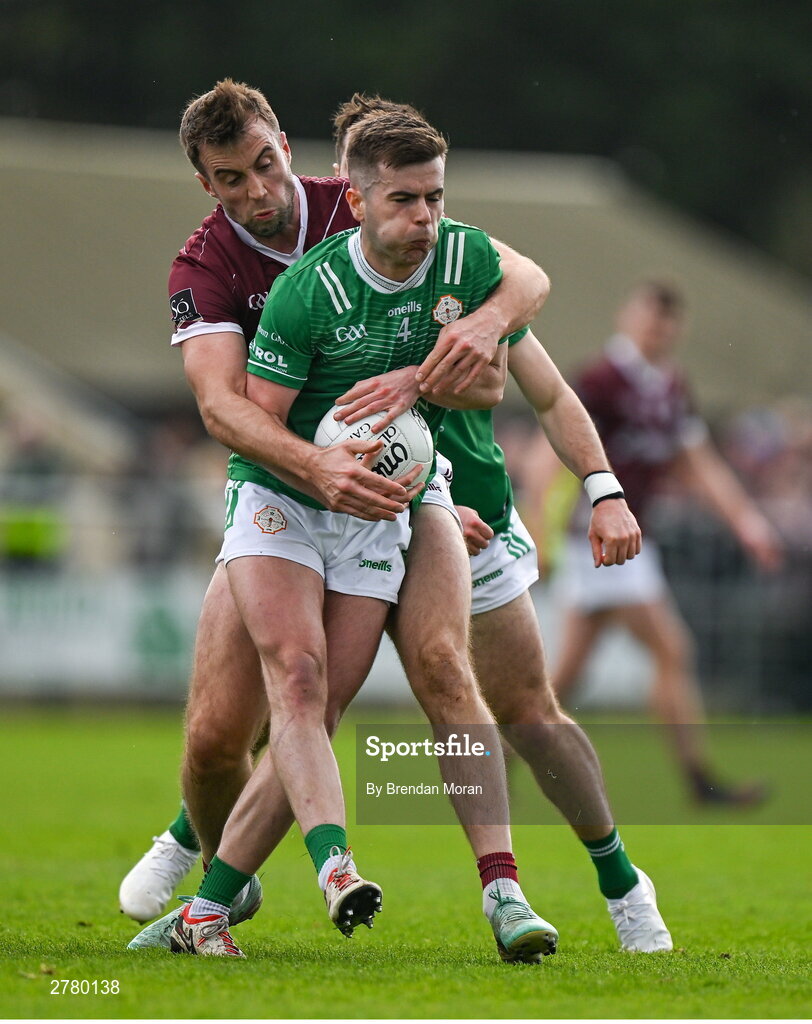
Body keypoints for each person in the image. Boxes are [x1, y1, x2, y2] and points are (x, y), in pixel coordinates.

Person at [124, 85, 557, 962]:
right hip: (285, 485)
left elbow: (523, 284)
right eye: (231, 178)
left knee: (432, 670)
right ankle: (213, 870)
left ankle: (509, 891)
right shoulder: (204, 268)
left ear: (287, 144)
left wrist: (482, 327)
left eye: (267, 163)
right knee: (218, 738)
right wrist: (317, 464)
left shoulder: (368, 200)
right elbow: (222, 407)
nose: (258, 189)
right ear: (206, 183)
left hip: (403, 486)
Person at [327, 102, 672, 955]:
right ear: (354, 195)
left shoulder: (471, 270)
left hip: (476, 523)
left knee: (528, 712)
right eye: (407, 199)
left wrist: (604, 489)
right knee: (298, 703)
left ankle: (622, 881)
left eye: (435, 198)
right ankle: (213, 881)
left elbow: (550, 394)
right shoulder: (314, 278)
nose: (426, 217)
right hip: (342, 524)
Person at [525, 279, 784, 804]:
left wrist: (745, 521)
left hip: (629, 542)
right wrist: (539, 531)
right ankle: (699, 781)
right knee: (673, 650)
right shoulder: (601, 380)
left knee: (562, 680)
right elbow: (550, 449)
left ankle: (490, 763)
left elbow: (696, 462)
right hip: (599, 541)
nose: (657, 329)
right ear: (628, 316)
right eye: (650, 317)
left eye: (667, 322)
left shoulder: (669, 386)